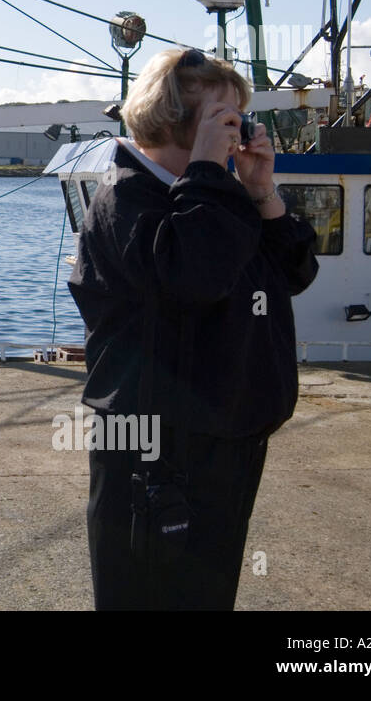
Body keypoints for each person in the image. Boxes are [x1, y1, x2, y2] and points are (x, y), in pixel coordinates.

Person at [67, 47, 319, 609]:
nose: (237, 136)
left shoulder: (215, 200)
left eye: (239, 122)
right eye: (224, 121)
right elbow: (191, 278)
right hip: (157, 454)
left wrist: (262, 193)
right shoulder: (127, 198)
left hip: (220, 447)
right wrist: (207, 170)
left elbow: (295, 273)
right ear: (177, 118)